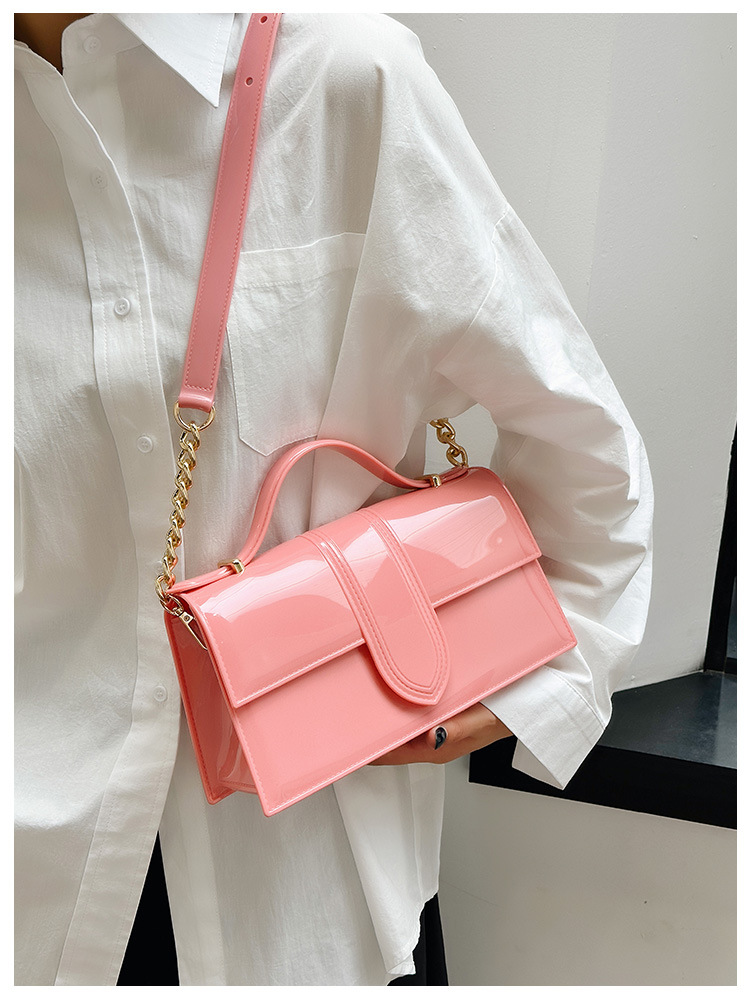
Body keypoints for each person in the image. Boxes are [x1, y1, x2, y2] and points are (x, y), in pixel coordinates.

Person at [14, 13, 654, 987]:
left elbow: (584, 444)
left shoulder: (345, 78)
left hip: (308, 899)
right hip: (37, 887)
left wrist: (516, 691)